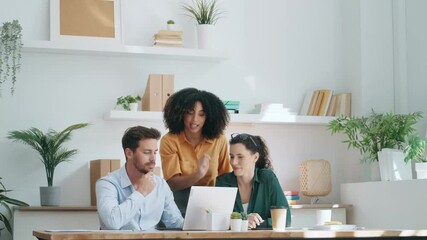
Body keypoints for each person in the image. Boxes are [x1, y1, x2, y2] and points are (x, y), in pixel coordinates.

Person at [160, 88, 232, 216]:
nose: (194, 119)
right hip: (178, 204)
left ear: (209, 116)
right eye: (190, 112)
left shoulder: (219, 139)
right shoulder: (169, 140)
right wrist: (198, 174)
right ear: (181, 113)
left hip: (211, 203)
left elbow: (225, 178)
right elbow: (172, 184)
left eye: (201, 114)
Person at [96, 126, 183, 230]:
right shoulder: (107, 184)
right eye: (147, 152)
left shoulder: (161, 184)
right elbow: (112, 222)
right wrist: (141, 192)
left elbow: (175, 222)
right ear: (129, 153)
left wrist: (199, 222)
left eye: (155, 152)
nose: (153, 159)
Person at [216, 133, 291, 229]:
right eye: (231, 156)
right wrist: (243, 221)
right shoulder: (222, 182)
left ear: (255, 157)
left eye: (240, 157)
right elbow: (215, 221)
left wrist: (254, 223)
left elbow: (285, 219)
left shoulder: (267, 178)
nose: (233, 162)